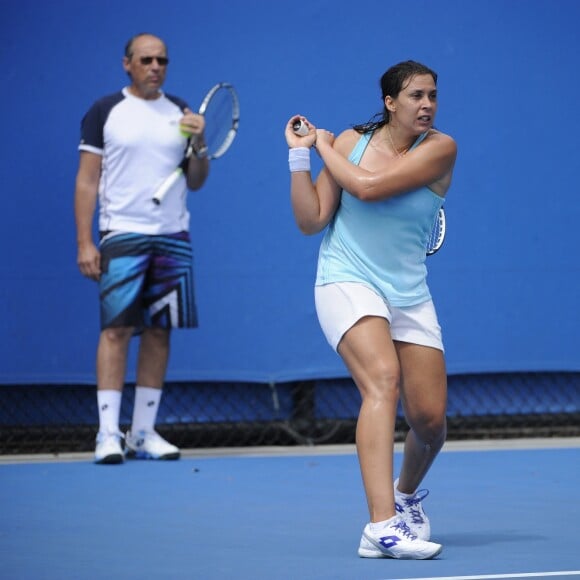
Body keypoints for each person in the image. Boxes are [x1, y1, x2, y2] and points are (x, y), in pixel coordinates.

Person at [285, 60, 457, 559]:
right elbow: (312, 219)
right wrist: (301, 157)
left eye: (432, 96)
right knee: (382, 379)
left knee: (430, 421)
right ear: (389, 103)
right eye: (415, 96)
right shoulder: (348, 143)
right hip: (346, 278)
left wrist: (319, 143)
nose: (426, 105)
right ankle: (380, 525)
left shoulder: (442, 148)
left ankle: (404, 498)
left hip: (408, 292)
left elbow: (368, 188)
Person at [74, 33, 209, 465]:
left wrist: (200, 143)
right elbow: (87, 180)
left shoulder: (181, 111)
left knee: (159, 331)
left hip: (173, 235)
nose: (156, 66)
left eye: (162, 60)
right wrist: (85, 241)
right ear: (127, 64)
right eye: (146, 59)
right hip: (122, 233)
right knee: (115, 331)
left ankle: (144, 433)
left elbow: (197, 178)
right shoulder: (105, 111)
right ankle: (108, 434)